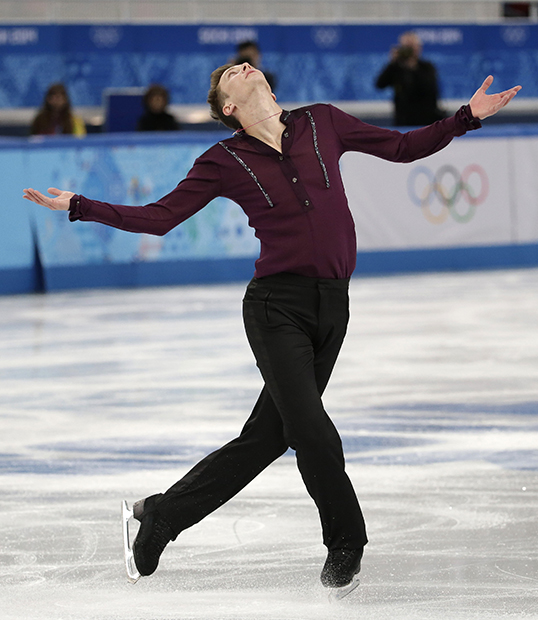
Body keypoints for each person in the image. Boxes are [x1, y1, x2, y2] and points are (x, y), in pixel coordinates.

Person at [23, 64, 521, 595]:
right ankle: (346, 541)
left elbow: (401, 148)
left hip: (333, 305)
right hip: (274, 308)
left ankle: (161, 517)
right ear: (227, 106)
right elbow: (160, 216)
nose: (242, 67)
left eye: (245, 65)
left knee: (267, 438)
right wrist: (80, 205)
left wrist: (466, 117)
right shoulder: (224, 159)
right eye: (229, 74)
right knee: (308, 427)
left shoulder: (322, 122)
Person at [375, 31, 445, 127]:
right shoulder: (396, 68)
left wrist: (412, 68)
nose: (409, 51)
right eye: (406, 47)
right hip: (403, 120)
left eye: (412, 47)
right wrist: (392, 63)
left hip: (427, 120)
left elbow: (431, 89)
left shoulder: (427, 67)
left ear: (419, 48)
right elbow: (380, 84)